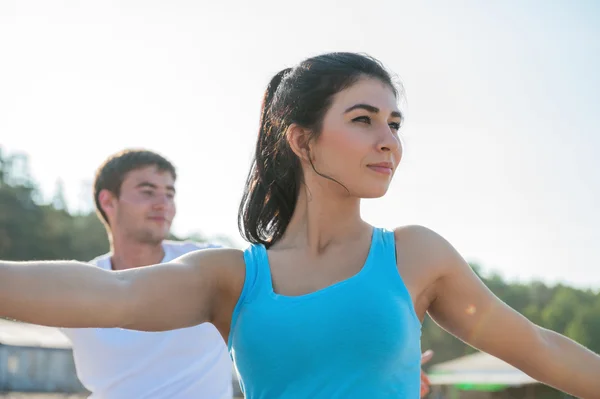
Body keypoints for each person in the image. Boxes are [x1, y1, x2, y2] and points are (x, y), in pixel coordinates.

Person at [1, 52, 598, 398]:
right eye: (363, 119)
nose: (388, 141)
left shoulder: (417, 256)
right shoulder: (231, 277)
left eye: (395, 123)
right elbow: (109, 294)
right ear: (300, 138)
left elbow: (539, 347)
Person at [61, 149, 234, 398]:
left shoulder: (211, 268)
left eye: (169, 194)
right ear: (108, 201)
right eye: (147, 191)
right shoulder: (81, 287)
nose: (163, 204)